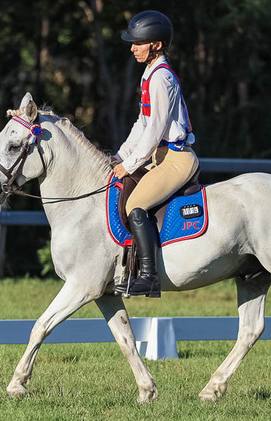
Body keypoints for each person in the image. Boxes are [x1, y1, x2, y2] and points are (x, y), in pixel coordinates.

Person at [112, 10, 199, 298]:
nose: (133, 47)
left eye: (139, 42)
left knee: (135, 205)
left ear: (157, 45)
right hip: (159, 157)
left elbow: (155, 129)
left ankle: (149, 276)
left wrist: (131, 163)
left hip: (176, 158)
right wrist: (121, 154)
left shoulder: (162, 78)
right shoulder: (149, 75)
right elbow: (142, 122)